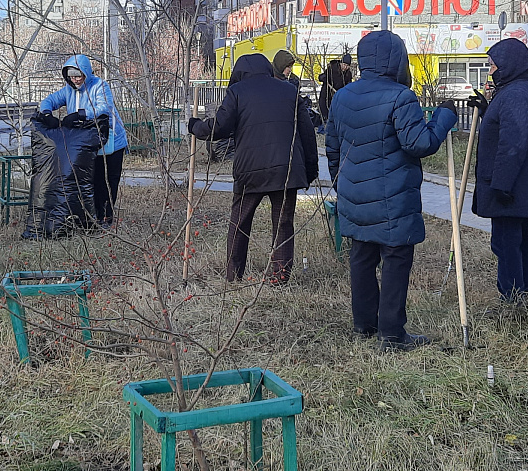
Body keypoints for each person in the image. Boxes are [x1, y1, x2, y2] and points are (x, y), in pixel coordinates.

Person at [327, 30, 457, 351]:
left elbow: (332, 147)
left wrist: (343, 186)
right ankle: (392, 334)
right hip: (393, 200)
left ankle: (364, 326)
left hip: (354, 199)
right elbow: (420, 143)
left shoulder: (342, 96)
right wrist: (444, 116)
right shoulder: (400, 97)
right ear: (397, 59)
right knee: (396, 261)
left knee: (361, 259)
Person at [189, 53, 318, 284]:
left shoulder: (238, 92)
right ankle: (279, 278)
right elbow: (307, 132)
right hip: (286, 170)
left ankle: (233, 276)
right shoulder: (289, 91)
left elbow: (219, 128)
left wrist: (196, 126)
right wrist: (310, 169)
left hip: (251, 172)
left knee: (239, 223)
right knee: (283, 224)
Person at [470, 38, 528, 308]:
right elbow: (505, 128)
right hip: (520, 187)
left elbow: (513, 142)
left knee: (507, 244)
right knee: (522, 241)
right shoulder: (516, 91)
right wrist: (487, 112)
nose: (490, 71)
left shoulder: (515, 94)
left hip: (512, 189)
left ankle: (514, 300)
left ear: (508, 66)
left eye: (493, 65)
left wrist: (501, 184)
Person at [38, 54, 127, 226]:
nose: (76, 80)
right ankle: (92, 217)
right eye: (71, 77)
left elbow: (104, 108)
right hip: (89, 144)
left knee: (107, 182)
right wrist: (46, 113)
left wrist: (81, 114)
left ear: (86, 73)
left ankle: (106, 219)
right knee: (90, 181)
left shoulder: (100, 85)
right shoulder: (69, 90)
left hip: (111, 142)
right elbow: (50, 100)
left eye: (78, 76)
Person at [317, 54, 353, 124]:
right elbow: (321, 77)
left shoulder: (348, 74)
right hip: (326, 95)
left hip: (338, 96)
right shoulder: (332, 68)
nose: (345, 67)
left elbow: (348, 85)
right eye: (344, 64)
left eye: (347, 66)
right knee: (324, 114)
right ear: (341, 63)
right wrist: (323, 78)